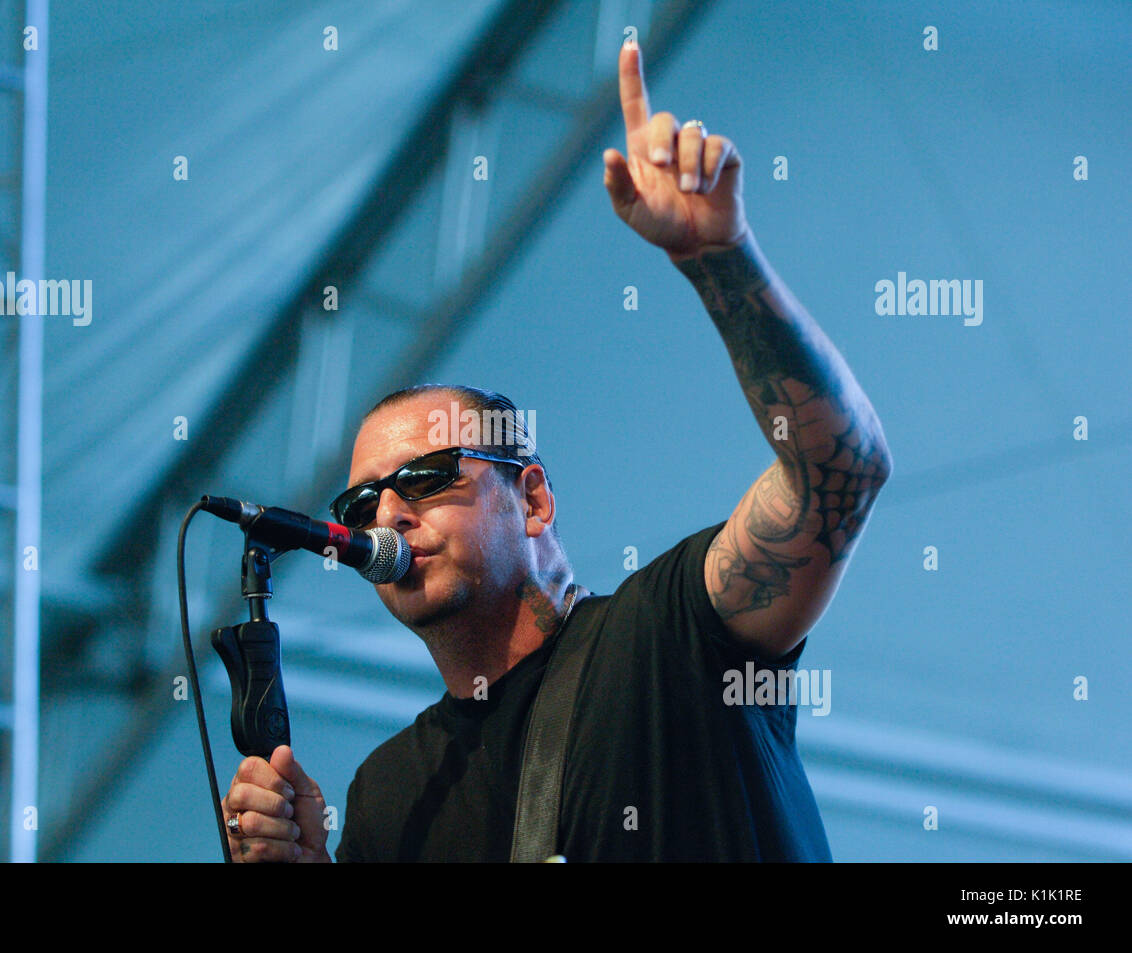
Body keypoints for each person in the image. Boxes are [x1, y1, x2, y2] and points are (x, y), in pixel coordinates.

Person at [220, 38, 892, 862]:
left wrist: (719, 258)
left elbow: (842, 471)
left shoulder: (668, 637)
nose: (386, 512)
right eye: (359, 503)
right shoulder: (392, 796)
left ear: (532, 498)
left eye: (426, 477)